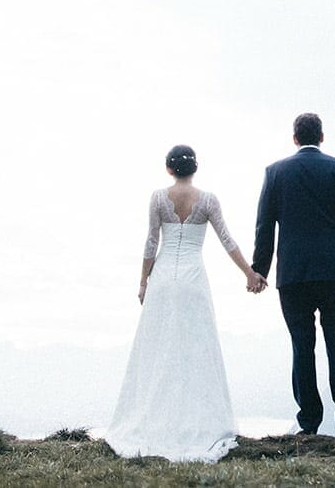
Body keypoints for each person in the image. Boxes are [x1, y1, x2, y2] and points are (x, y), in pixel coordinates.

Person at [103, 144, 268, 463]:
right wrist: (249, 273)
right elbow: (227, 240)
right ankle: (198, 423)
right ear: (195, 169)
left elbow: (152, 241)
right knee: (196, 350)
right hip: (193, 283)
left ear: (168, 169)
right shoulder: (208, 200)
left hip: (163, 281)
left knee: (159, 350)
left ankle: (155, 419)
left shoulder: (157, 198)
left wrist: (143, 282)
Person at [251, 112, 335, 437]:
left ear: (294, 138)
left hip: (292, 276)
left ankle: (308, 423)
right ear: (322, 137)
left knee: (302, 348)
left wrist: (260, 271)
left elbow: (265, 226)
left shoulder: (275, 173)